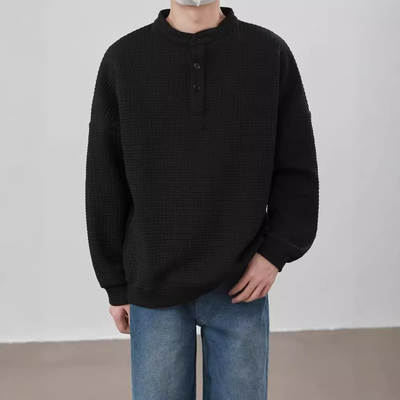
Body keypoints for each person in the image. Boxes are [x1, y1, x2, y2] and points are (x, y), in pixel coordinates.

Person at [85, 0, 319, 398]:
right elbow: (105, 179)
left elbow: (296, 166)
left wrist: (275, 252)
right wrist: (115, 283)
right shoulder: (124, 60)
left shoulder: (269, 54)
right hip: (153, 285)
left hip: (240, 283)